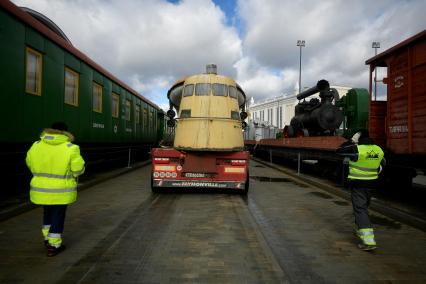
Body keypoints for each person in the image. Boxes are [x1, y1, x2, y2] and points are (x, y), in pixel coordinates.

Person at [26, 122, 85, 257]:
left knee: (47, 212)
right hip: (61, 190)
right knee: (58, 215)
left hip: (41, 189)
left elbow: (29, 162)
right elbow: (78, 170)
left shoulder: (36, 145)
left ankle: (47, 239)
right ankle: (54, 245)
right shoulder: (71, 148)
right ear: (65, 133)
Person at [336, 131, 385, 251]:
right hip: (372, 184)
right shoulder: (378, 149)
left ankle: (369, 241)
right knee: (364, 207)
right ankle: (360, 229)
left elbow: (339, 151)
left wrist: (351, 142)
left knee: (360, 209)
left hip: (358, 184)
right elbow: (383, 163)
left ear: (358, 139)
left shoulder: (357, 149)